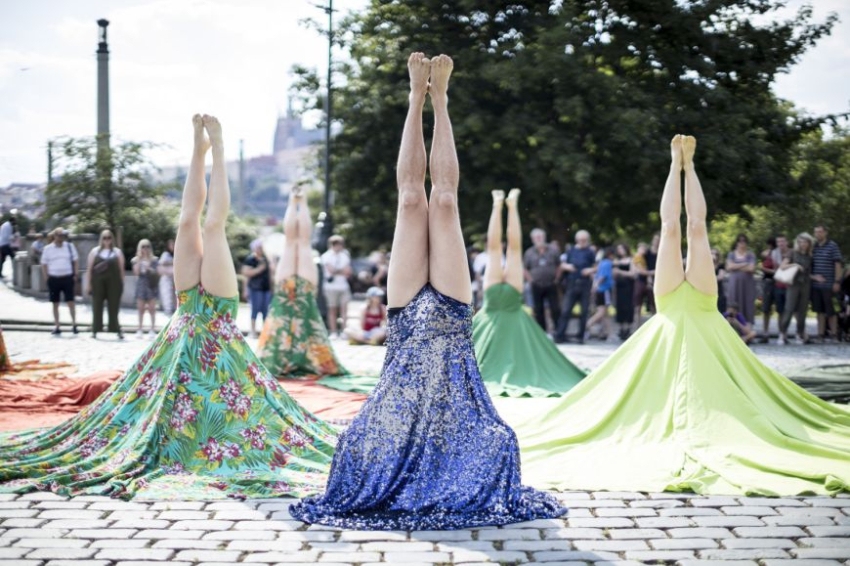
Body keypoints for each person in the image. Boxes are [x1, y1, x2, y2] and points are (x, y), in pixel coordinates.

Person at [290, 53, 565, 529]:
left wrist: (439, 100)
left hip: (451, 331)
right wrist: (414, 97)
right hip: (407, 330)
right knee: (412, 198)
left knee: (443, 200)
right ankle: (416, 96)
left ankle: (440, 98)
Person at [0, 115, 337, 499]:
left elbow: (214, 224)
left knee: (213, 226)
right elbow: (186, 219)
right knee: (186, 222)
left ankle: (219, 148)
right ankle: (199, 148)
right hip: (186, 315)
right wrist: (198, 150)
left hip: (215, 319)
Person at [516, 135, 850, 495]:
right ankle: (675, 165)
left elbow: (698, 225)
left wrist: (690, 168)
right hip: (672, 308)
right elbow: (668, 225)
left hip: (704, 309)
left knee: (696, 228)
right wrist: (674, 166)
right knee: (671, 229)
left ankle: (689, 166)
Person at [472, 188, 585, 397]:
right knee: (510, 250)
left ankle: (499, 205)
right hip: (505, 304)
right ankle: (510, 205)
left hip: (496, 304)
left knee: (496, 250)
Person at [256, 187, 350, 378]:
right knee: (301, 242)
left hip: (286, 292)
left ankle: (295, 201)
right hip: (300, 292)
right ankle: (300, 201)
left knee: (293, 242)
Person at [554, 230, 596, 343]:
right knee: (566, 310)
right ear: (577, 240)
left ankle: (580, 336)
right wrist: (567, 267)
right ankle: (560, 335)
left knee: (584, 311)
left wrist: (590, 270)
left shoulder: (590, 252)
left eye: (585, 240)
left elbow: (596, 266)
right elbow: (561, 264)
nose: (582, 242)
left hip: (585, 284)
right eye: (581, 240)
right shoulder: (570, 251)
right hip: (571, 283)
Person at [86, 229, 125, 339]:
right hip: (97, 282)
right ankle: (95, 329)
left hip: (114, 283)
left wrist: (122, 283)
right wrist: (88, 284)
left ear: (112, 239)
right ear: (101, 239)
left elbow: (121, 269)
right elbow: (89, 269)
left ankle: (116, 328)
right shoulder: (95, 251)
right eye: (104, 238)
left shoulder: (117, 252)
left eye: (109, 237)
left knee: (114, 306)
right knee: (97, 304)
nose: (107, 240)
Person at [777, 233, 814, 345]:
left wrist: (815, 277)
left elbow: (808, 272)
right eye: (801, 242)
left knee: (802, 310)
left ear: (809, 243)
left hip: (806, 284)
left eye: (805, 242)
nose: (803, 244)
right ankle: (782, 334)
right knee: (789, 308)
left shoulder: (810, 255)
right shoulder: (792, 252)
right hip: (793, 284)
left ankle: (799, 334)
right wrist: (796, 265)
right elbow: (783, 266)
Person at [40, 228, 79, 335]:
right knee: (55, 303)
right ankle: (57, 326)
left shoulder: (69, 247)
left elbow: (75, 260)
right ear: (55, 236)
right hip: (54, 278)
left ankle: (74, 324)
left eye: (62, 236)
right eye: (59, 235)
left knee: (70, 302)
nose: (61, 237)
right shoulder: (48, 249)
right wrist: (46, 278)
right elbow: (44, 264)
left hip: (67, 277)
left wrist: (75, 274)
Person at [523, 228, 561, 332]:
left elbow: (559, 265)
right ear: (532, 239)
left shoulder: (553, 250)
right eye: (536, 237)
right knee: (538, 309)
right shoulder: (529, 252)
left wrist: (557, 278)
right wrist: (530, 280)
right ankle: (542, 332)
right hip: (536, 284)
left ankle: (558, 331)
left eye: (540, 237)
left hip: (551, 283)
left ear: (544, 237)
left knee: (555, 308)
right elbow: (525, 268)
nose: (539, 239)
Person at [811, 225, 843, 342]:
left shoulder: (832, 246)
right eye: (816, 232)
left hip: (830, 284)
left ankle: (834, 334)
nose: (818, 234)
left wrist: (837, 281)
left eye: (820, 232)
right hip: (816, 285)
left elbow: (838, 264)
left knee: (832, 311)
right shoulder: (813, 247)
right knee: (819, 311)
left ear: (825, 233)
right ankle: (820, 335)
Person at [321, 235, 352, 337]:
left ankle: (344, 331)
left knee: (344, 310)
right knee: (332, 309)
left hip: (343, 286)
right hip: (331, 287)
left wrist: (338, 271)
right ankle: (333, 332)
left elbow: (348, 272)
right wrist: (341, 271)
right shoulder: (326, 256)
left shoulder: (345, 256)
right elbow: (331, 270)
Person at [241, 238, 272, 338]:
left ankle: (265, 332)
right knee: (255, 310)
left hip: (266, 289)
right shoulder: (250, 260)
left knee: (265, 311)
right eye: (259, 247)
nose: (261, 249)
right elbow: (246, 273)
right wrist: (259, 269)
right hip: (255, 288)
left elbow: (271, 274)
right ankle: (253, 331)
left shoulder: (266, 260)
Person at [725, 233, 756, 325]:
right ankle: (732, 324)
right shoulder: (731, 254)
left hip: (747, 284)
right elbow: (729, 267)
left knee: (747, 302)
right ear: (737, 242)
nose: (742, 243)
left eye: (744, 241)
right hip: (734, 283)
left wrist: (736, 266)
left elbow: (751, 269)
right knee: (734, 301)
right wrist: (744, 264)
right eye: (740, 241)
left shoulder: (750, 254)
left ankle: (747, 325)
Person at [131, 239, 159, 338]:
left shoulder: (154, 260)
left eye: (147, 246)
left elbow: (157, 272)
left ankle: (152, 329)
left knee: (152, 308)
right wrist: (140, 260)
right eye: (143, 246)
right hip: (141, 284)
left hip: (151, 284)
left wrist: (149, 268)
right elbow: (136, 273)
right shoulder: (135, 260)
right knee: (140, 308)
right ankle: (140, 329)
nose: (145, 249)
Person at [586, 246, 615, 340]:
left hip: (600, 289)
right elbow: (603, 276)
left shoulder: (601, 263)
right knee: (602, 312)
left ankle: (609, 333)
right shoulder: (608, 263)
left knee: (605, 313)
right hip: (604, 289)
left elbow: (596, 275)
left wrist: (594, 285)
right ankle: (587, 325)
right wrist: (596, 285)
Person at [612, 243, 635, 340]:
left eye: (621, 249)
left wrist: (620, 272)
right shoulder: (617, 261)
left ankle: (628, 329)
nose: (619, 251)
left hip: (628, 286)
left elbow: (633, 274)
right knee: (619, 306)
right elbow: (613, 274)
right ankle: (621, 329)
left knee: (628, 306)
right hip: (619, 286)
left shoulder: (631, 260)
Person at [157, 238, 176, 317]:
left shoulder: (176, 254)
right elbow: (162, 263)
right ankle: (168, 311)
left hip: (174, 279)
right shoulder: (165, 254)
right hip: (166, 279)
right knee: (167, 295)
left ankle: (174, 310)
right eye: (171, 244)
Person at [712, 247, 727, 313]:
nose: (714, 256)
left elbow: (720, 277)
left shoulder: (721, 265)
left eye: (716, 254)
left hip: (719, 292)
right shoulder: (704, 265)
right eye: (712, 254)